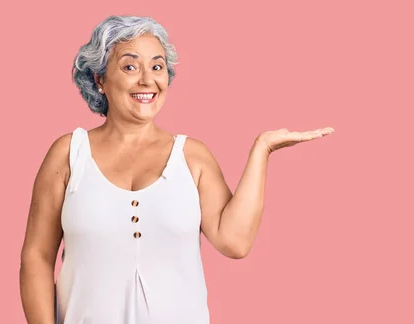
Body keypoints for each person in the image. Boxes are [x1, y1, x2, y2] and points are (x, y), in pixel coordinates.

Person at [18, 15, 333, 324]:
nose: (147, 80)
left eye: (157, 67)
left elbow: (234, 241)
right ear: (100, 79)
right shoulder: (69, 153)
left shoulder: (192, 157)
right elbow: (37, 258)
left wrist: (262, 149)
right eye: (130, 66)